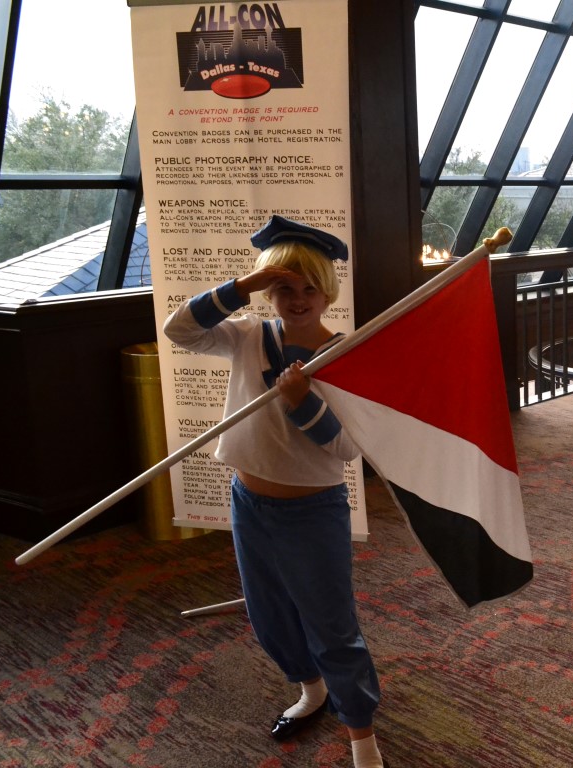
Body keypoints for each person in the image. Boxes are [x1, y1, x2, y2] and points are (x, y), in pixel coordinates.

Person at [163, 216, 387, 768]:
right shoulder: (247, 336)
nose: (298, 299)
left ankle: (361, 736)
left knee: (331, 625)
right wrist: (243, 286)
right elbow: (179, 331)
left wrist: (301, 402)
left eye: (310, 287)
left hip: (313, 512)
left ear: (328, 292)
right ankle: (312, 690)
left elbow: (347, 448)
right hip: (248, 502)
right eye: (284, 287)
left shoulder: (344, 354)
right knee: (269, 614)